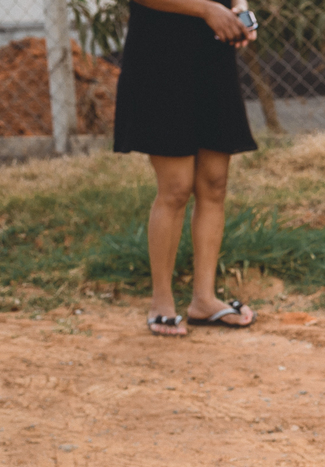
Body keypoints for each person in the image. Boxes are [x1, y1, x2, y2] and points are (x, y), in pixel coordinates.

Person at [113, 0, 259, 336]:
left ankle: (204, 301)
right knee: (176, 188)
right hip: (161, 52)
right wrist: (207, 10)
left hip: (212, 51)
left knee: (214, 183)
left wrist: (238, 8)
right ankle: (161, 302)